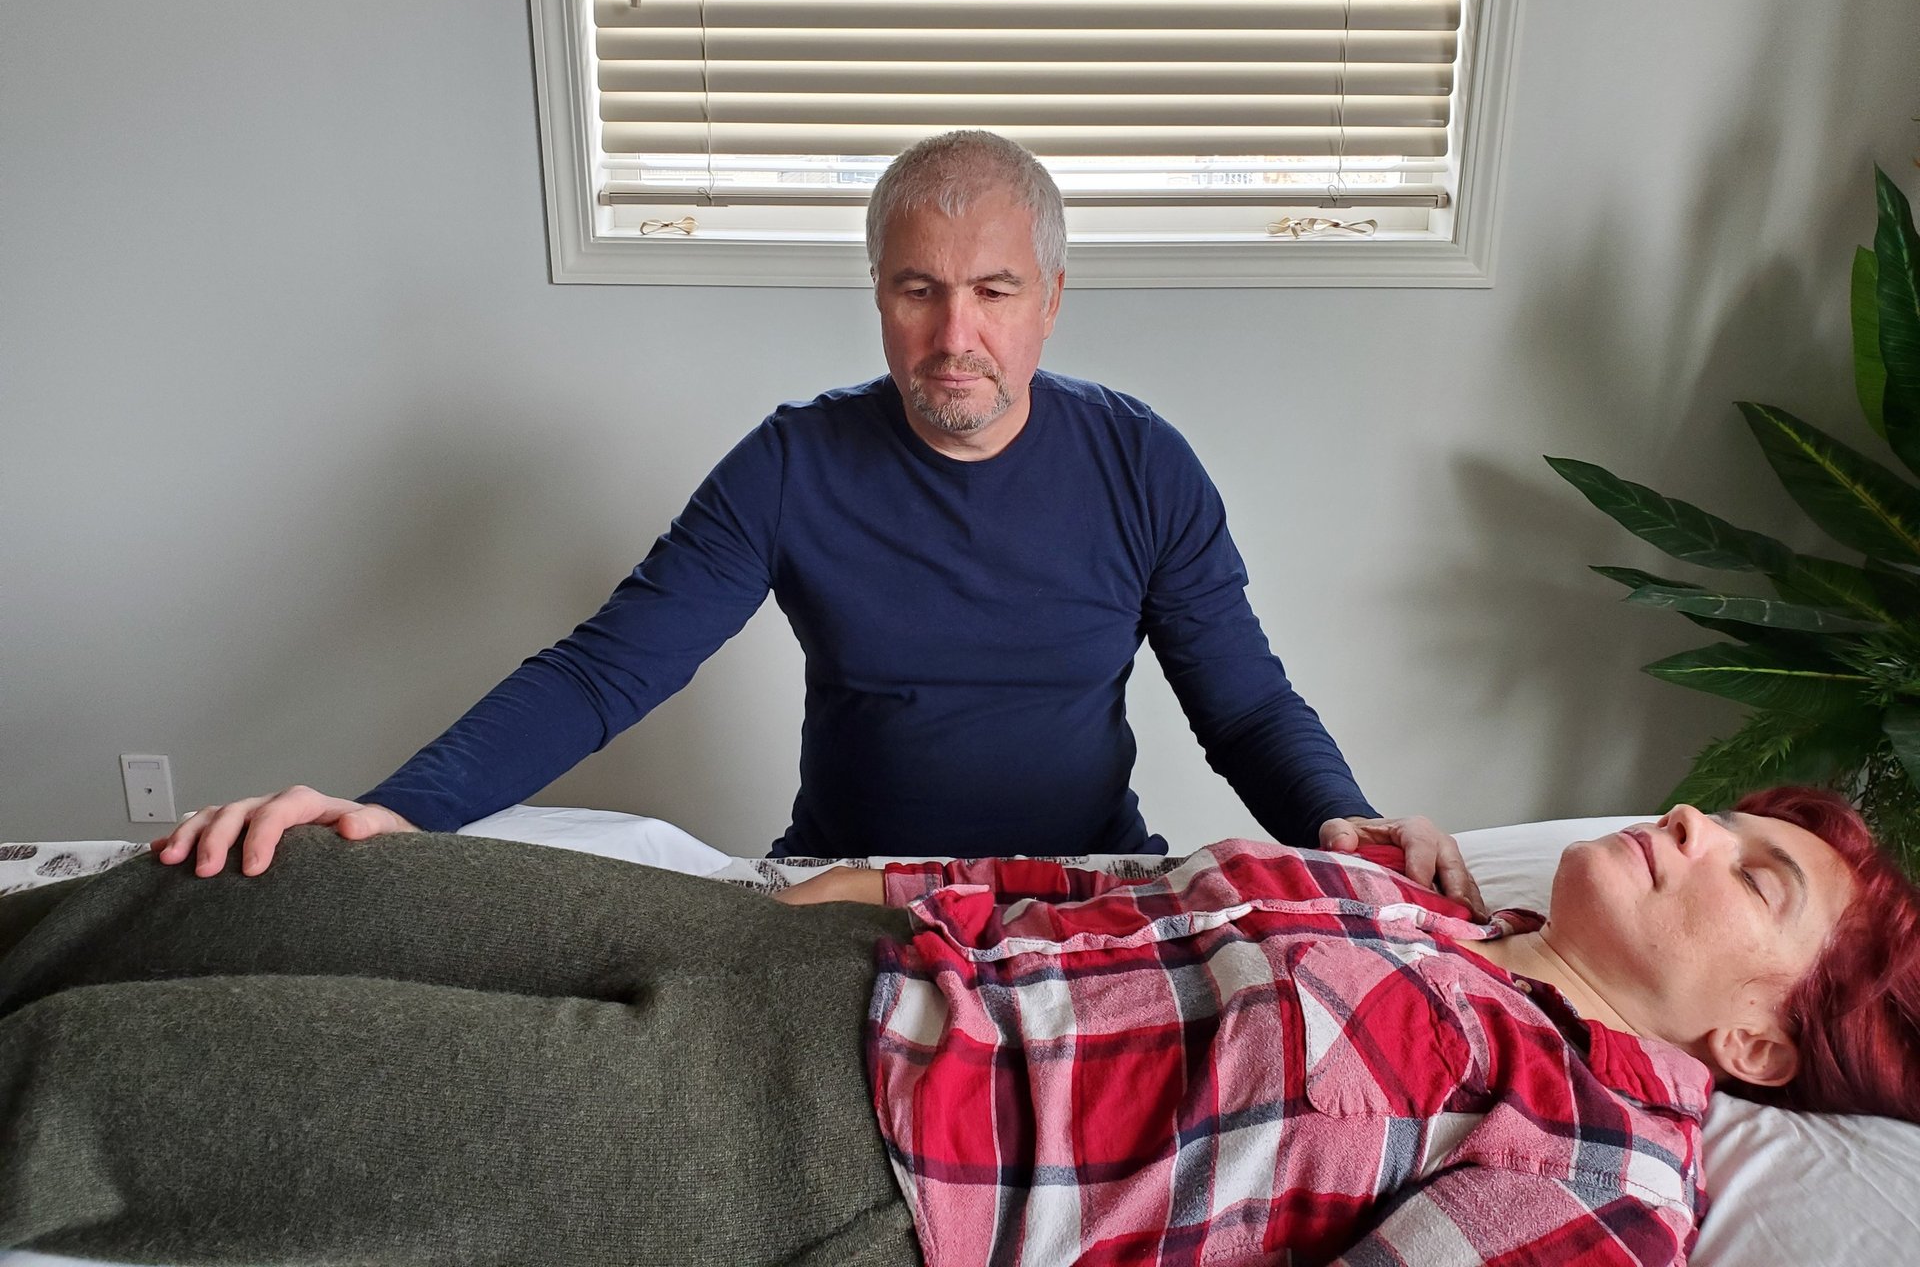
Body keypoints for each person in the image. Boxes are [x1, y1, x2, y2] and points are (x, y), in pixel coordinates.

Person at [149, 130, 1483, 910]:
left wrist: (1342, 824)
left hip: (1079, 894)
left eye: (993, 291)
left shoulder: (1144, 466)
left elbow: (1244, 709)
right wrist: (398, 812)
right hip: (846, 900)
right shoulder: (791, 466)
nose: (953, 335)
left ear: (1052, 301)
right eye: (916, 289)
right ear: (876, 292)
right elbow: (609, 671)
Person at [3, 790, 1915, 1265]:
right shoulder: (1427, 898)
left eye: (1756, 881)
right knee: (256, 884)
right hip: (815, 959)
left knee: (113, 1088)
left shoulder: (1599, 1165)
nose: (1695, 828)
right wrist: (886, 894)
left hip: (832, 1160)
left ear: (1754, 1049)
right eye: (1734, 820)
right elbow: (1114, 894)